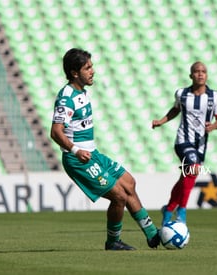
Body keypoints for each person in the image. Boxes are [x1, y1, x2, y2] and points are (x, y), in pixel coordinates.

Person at [50, 48, 160, 250]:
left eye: (92, 66)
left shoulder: (81, 92)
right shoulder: (66, 97)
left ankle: (153, 234)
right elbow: (56, 132)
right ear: (75, 73)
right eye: (87, 68)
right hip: (78, 159)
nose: (93, 71)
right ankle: (113, 242)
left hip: (93, 153)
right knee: (119, 196)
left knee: (129, 183)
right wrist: (75, 150)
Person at [152, 61, 217, 225]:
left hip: (200, 145)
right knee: (192, 168)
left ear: (207, 75)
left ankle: (169, 209)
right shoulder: (182, 94)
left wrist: (212, 126)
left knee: (187, 176)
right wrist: (161, 121)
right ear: (191, 75)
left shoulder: (214, 96)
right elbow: (176, 109)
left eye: (203, 71)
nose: (200, 74)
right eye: (197, 71)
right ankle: (181, 211)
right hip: (183, 141)